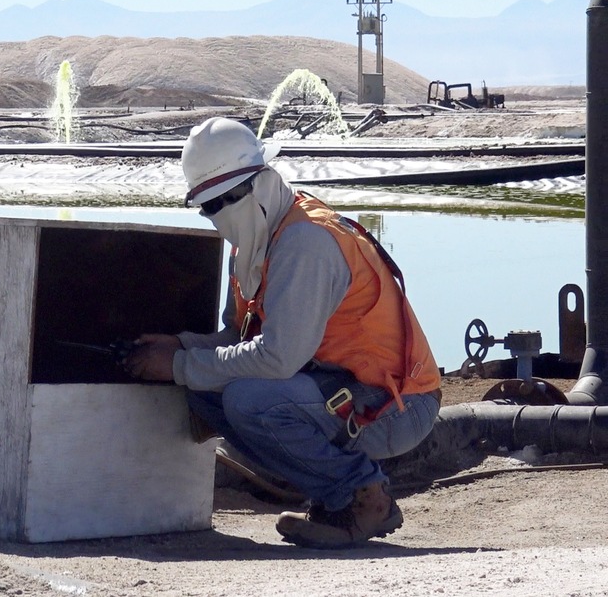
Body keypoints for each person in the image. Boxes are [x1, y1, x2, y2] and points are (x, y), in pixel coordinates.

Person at [126, 116, 441, 549]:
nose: (219, 215)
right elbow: (239, 342)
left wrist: (179, 365)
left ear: (259, 183)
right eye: (209, 207)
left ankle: (361, 496)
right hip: (340, 388)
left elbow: (277, 358)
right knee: (206, 389)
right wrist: (182, 346)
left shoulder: (304, 242)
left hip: (394, 405)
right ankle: (335, 496)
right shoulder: (257, 241)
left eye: (225, 201)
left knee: (247, 399)